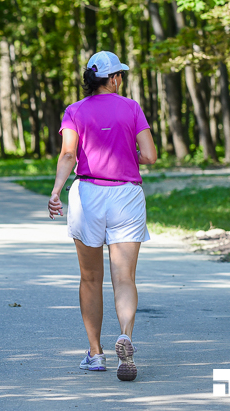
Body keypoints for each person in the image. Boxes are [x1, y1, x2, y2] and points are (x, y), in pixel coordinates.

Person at [47, 51, 158, 382]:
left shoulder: (75, 111)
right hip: (126, 196)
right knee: (124, 278)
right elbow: (150, 156)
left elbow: (69, 153)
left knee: (91, 278)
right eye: (120, 75)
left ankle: (95, 354)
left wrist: (56, 192)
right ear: (114, 79)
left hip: (88, 195)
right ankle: (125, 335)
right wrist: (129, 152)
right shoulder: (131, 107)